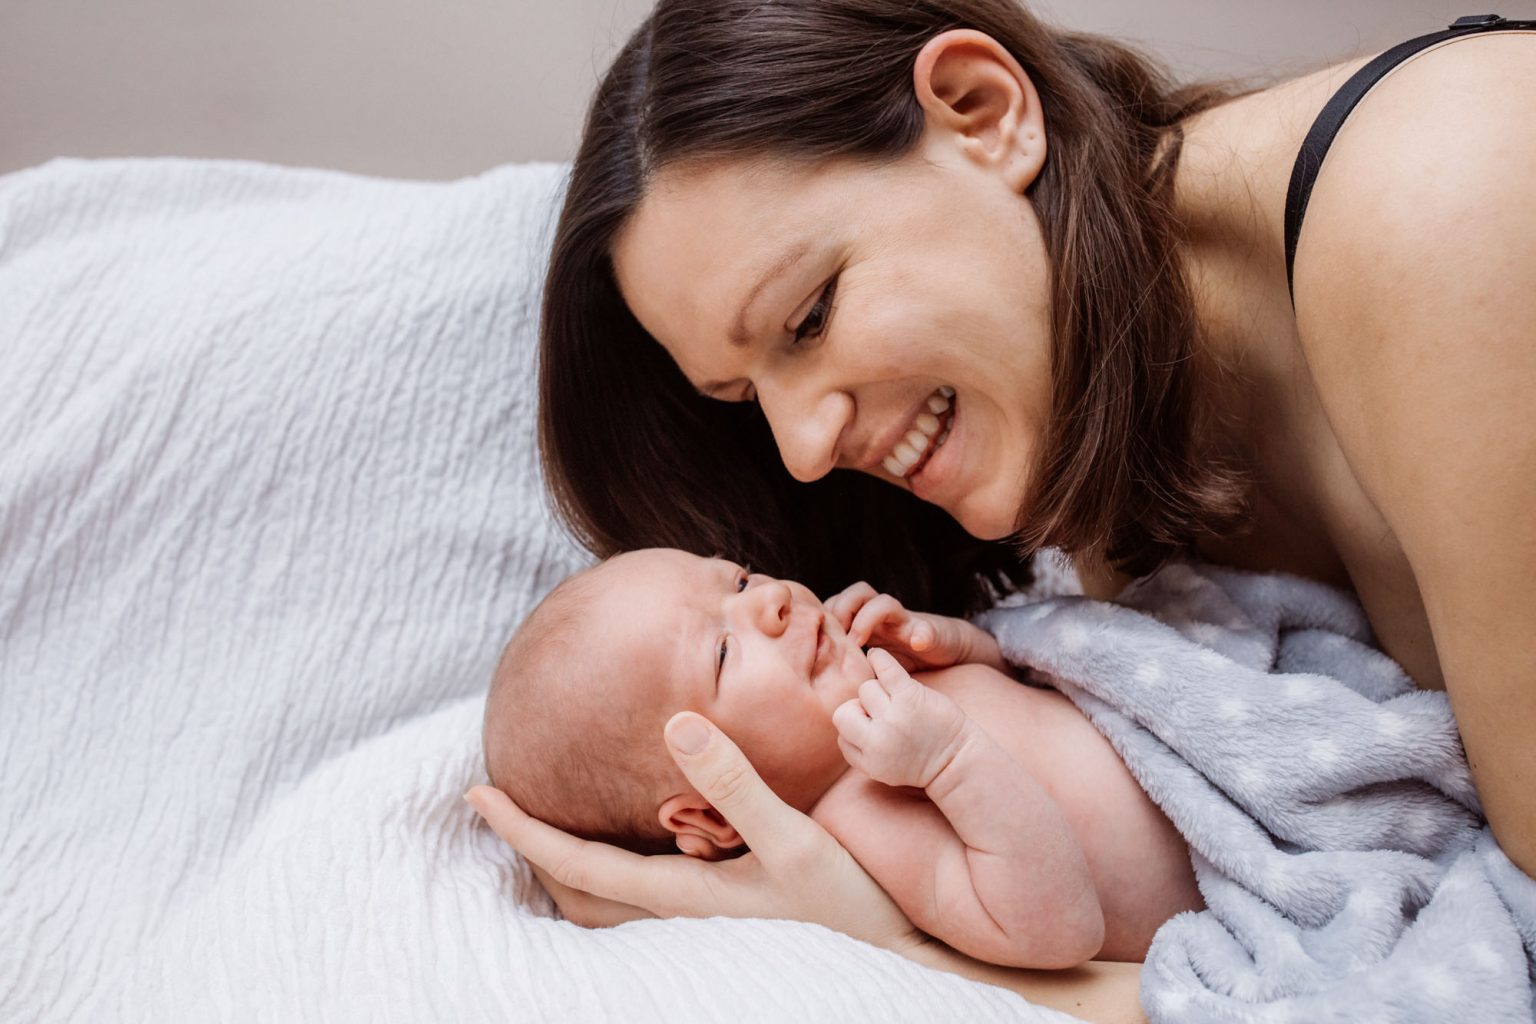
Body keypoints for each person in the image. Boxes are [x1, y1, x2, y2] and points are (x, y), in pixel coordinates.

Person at [469, 1, 1535, 1017]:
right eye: (747, 400)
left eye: (810, 316)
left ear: (982, 113)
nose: (801, 453)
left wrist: (901, 959)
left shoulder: (1457, 193)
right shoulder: (1104, 458)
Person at [481, 549, 1202, 968]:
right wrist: (950, 762)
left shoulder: (881, 692)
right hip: (1213, 861)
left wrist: (955, 644)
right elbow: (1058, 931)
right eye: (724, 652)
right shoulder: (864, 821)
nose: (771, 602)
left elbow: (1029, 693)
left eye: (738, 580)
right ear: (714, 813)